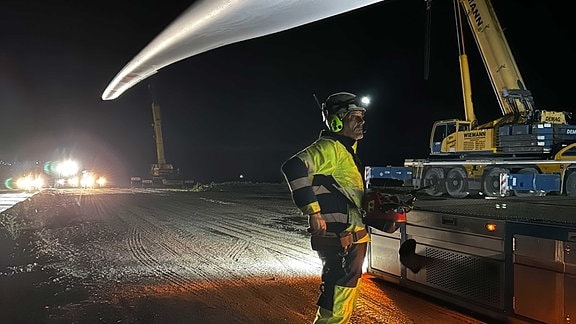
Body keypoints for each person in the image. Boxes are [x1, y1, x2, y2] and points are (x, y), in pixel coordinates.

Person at [281, 91, 369, 323]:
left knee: (343, 295)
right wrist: (313, 212)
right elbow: (293, 167)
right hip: (341, 240)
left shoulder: (346, 151)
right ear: (337, 121)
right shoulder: (331, 148)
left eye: (362, 117)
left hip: (352, 239)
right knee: (337, 298)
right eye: (355, 118)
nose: (362, 123)